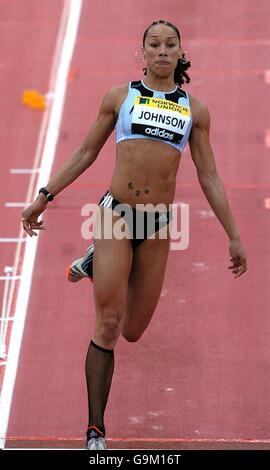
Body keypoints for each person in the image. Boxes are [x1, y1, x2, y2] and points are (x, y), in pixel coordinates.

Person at [21, 20, 247, 450]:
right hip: (115, 217)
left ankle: (95, 261)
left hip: (159, 224)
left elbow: (210, 175)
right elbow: (87, 152)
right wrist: (44, 196)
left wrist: (233, 234)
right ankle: (95, 432)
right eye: (154, 44)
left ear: (181, 52)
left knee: (133, 331)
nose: (162, 51)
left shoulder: (193, 110)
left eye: (170, 45)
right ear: (142, 53)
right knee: (107, 325)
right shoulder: (120, 98)